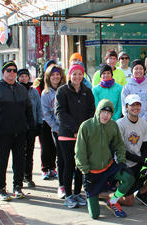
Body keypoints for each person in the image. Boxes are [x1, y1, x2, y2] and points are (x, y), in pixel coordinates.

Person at [75, 99, 135, 219]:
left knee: (129, 178)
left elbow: (119, 144)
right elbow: (79, 152)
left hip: (108, 167)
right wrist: (85, 172)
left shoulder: (113, 125)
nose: (106, 115)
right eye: (103, 112)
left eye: (109, 113)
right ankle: (95, 196)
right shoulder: (86, 126)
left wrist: (122, 162)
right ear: (98, 111)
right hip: (91, 172)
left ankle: (112, 202)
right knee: (95, 216)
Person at [0, 61, 36, 200]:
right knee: (1, 163)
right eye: (9, 70)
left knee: (20, 162)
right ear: (4, 72)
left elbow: (28, 110)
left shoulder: (21, 89)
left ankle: (18, 187)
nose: (12, 72)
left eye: (14, 70)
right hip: (2, 133)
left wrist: (32, 127)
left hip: (20, 132)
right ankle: (1, 188)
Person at [55, 64, 95, 208]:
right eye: (74, 74)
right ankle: (68, 195)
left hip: (83, 136)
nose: (77, 77)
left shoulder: (87, 91)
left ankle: (78, 193)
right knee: (69, 165)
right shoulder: (62, 91)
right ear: (69, 75)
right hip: (67, 135)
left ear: (83, 75)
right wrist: (75, 129)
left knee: (81, 166)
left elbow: (92, 112)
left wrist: (84, 130)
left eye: (80, 74)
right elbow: (60, 112)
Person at [113, 94, 147, 207]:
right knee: (128, 202)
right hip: (123, 164)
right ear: (126, 107)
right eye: (132, 105)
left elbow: (145, 147)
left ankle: (142, 193)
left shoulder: (144, 123)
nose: (135, 107)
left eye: (138, 105)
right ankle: (103, 195)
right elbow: (121, 151)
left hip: (137, 162)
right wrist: (142, 160)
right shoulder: (120, 124)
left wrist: (144, 164)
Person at [121, 59, 147, 198]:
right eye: (135, 68)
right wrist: (134, 122)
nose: (138, 71)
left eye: (140, 68)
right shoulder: (126, 88)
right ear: (131, 71)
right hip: (130, 127)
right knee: (132, 153)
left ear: (144, 70)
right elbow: (124, 108)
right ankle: (134, 186)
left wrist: (141, 122)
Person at [41, 64, 67, 198]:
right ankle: (61, 185)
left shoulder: (67, 89)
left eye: (57, 74)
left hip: (70, 130)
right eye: (52, 75)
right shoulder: (45, 94)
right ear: (48, 77)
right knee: (61, 157)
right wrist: (56, 129)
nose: (55, 77)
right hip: (57, 130)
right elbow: (46, 114)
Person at [17, 68, 43, 187]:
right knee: (19, 154)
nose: (23, 78)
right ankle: (19, 176)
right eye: (21, 76)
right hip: (18, 128)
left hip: (31, 127)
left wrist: (38, 124)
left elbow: (38, 109)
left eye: (25, 76)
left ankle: (28, 177)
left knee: (29, 154)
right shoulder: (15, 90)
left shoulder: (33, 92)